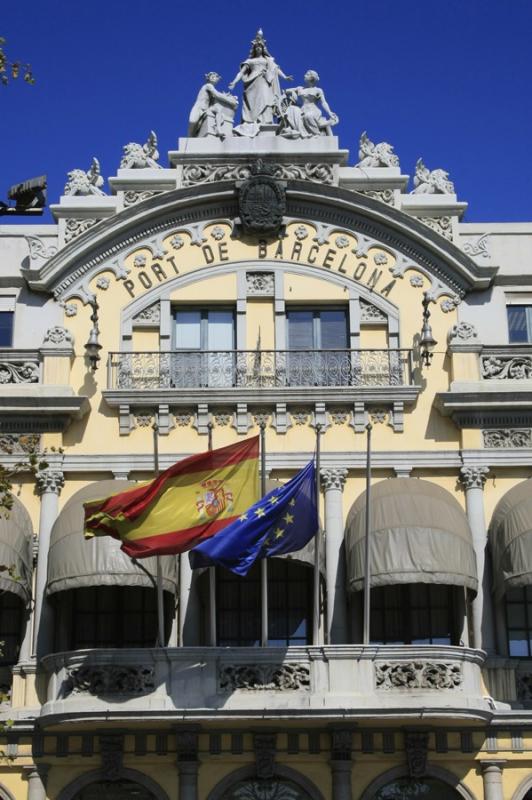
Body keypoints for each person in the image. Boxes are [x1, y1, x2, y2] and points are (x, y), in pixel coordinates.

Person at [229, 30, 292, 136]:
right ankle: (251, 122)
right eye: (256, 47)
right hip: (251, 83)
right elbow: (241, 73)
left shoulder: (267, 60)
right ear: (254, 49)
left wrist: (285, 77)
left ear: (263, 49)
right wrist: (234, 82)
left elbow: (275, 68)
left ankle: (265, 121)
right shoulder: (249, 61)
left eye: (260, 47)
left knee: (265, 100)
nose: (258, 48)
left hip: (264, 81)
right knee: (252, 103)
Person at [279, 70, 339, 139]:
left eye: (307, 75)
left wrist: (329, 112)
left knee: (308, 116)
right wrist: (292, 92)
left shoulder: (318, 90)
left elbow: (323, 102)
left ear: (311, 78)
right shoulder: (300, 88)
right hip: (303, 109)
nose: (304, 76)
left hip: (314, 110)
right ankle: (300, 132)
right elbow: (286, 91)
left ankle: (316, 134)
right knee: (291, 109)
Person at [188, 72, 238, 139]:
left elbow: (217, 98)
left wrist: (226, 96)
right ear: (208, 78)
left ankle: (218, 129)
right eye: (212, 76)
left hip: (206, 109)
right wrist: (230, 100)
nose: (213, 78)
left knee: (218, 110)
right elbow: (217, 95)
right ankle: (190, 137)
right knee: (193, 122)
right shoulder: (208, 86)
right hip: (199, 108)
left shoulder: (212, 89)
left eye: (215, 77)